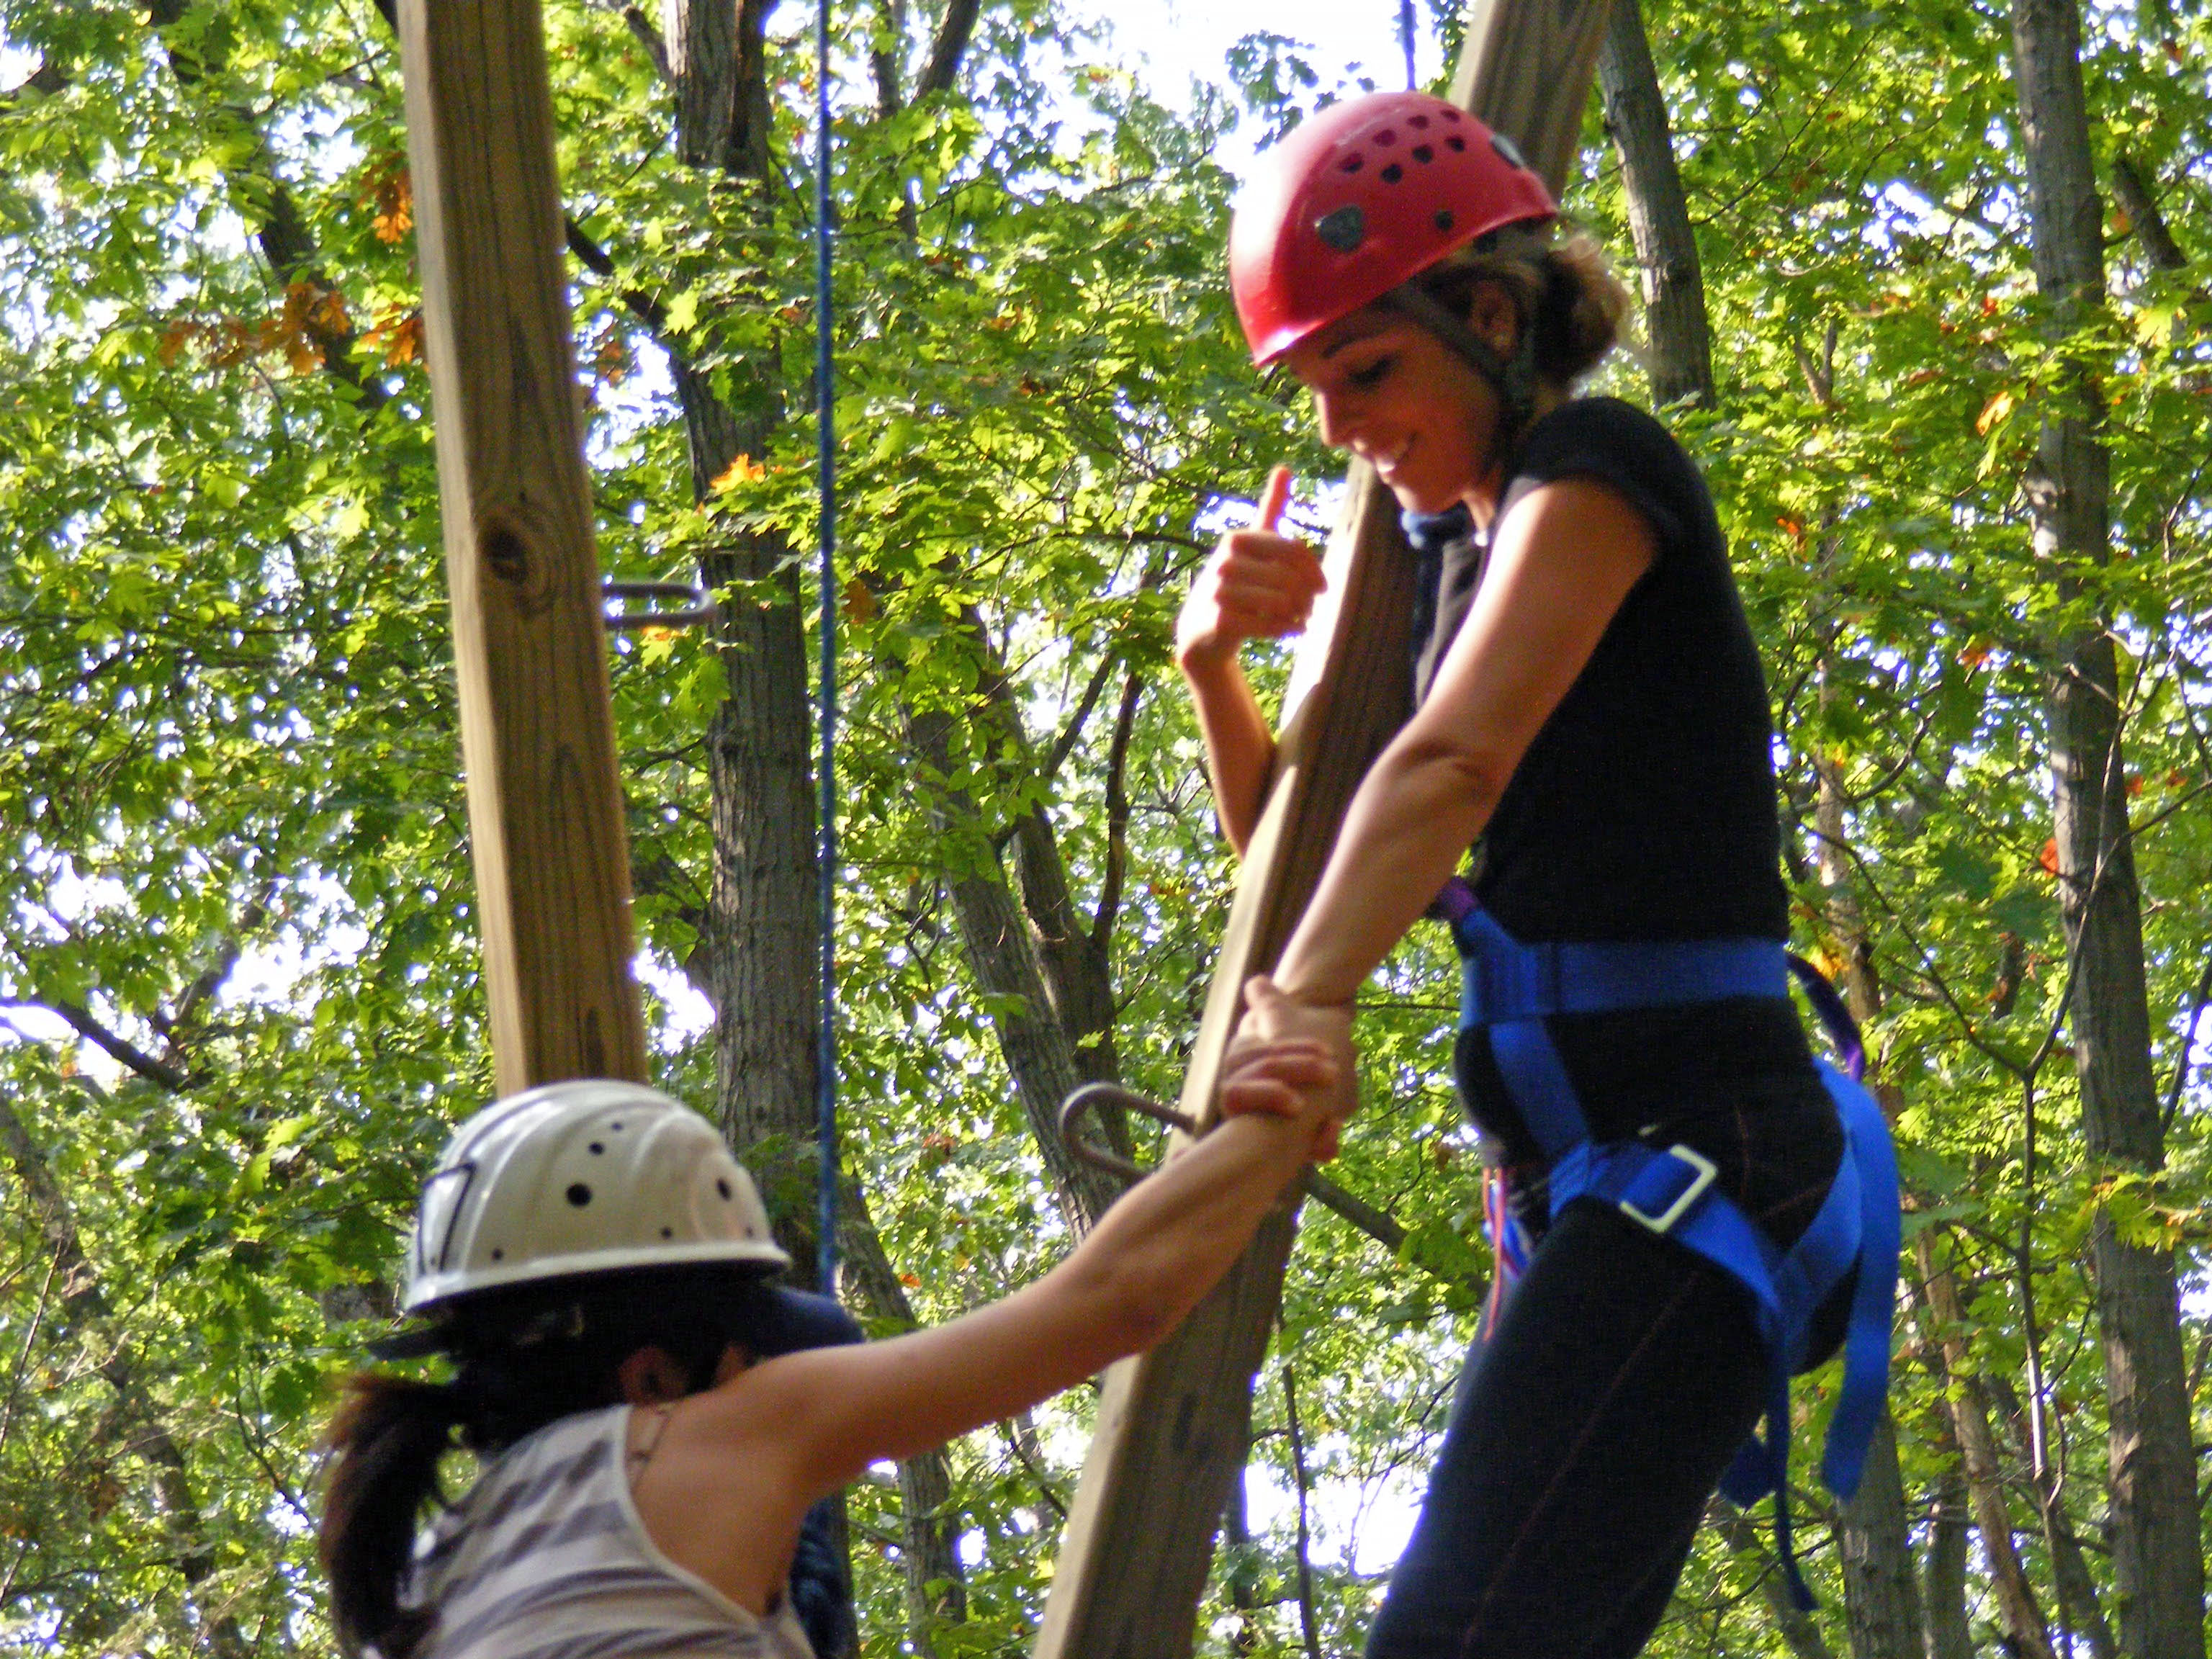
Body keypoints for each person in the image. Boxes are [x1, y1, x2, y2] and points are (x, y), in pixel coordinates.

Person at [1178, 91, 1897, 1656]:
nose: (1340, 430)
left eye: (1365, 373)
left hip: (1703, 1149)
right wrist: (1215, 670)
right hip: (1591, 1187)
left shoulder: (1598, 473)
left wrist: (1302, 1006)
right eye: (1313, 392)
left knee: (1456, 1640)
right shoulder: (1435, 560)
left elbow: (1448, 771)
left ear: (1490, 317)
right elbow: (1294, 880)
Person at [319, 1010, 1342, 1659]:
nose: (764, 1373)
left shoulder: (433, 1582)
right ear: (649, 1375)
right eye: (745, 1352)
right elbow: (1119, 1298)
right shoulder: (701, 1440)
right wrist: (1281, 1109)